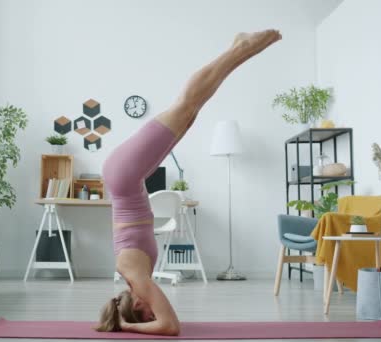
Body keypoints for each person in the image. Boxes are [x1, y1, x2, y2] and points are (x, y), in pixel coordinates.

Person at [95, 30, 282, 335]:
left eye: (144, 313)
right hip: (129, 178)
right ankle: (238, 50)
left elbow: (170, 327)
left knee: (184, 105)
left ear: (136, 306)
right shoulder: (135, 278)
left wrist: (129, 328)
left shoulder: (137, 279)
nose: (152, 310)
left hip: (123, 176)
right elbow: (164, 322)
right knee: (192, 111)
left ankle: (240, 49)